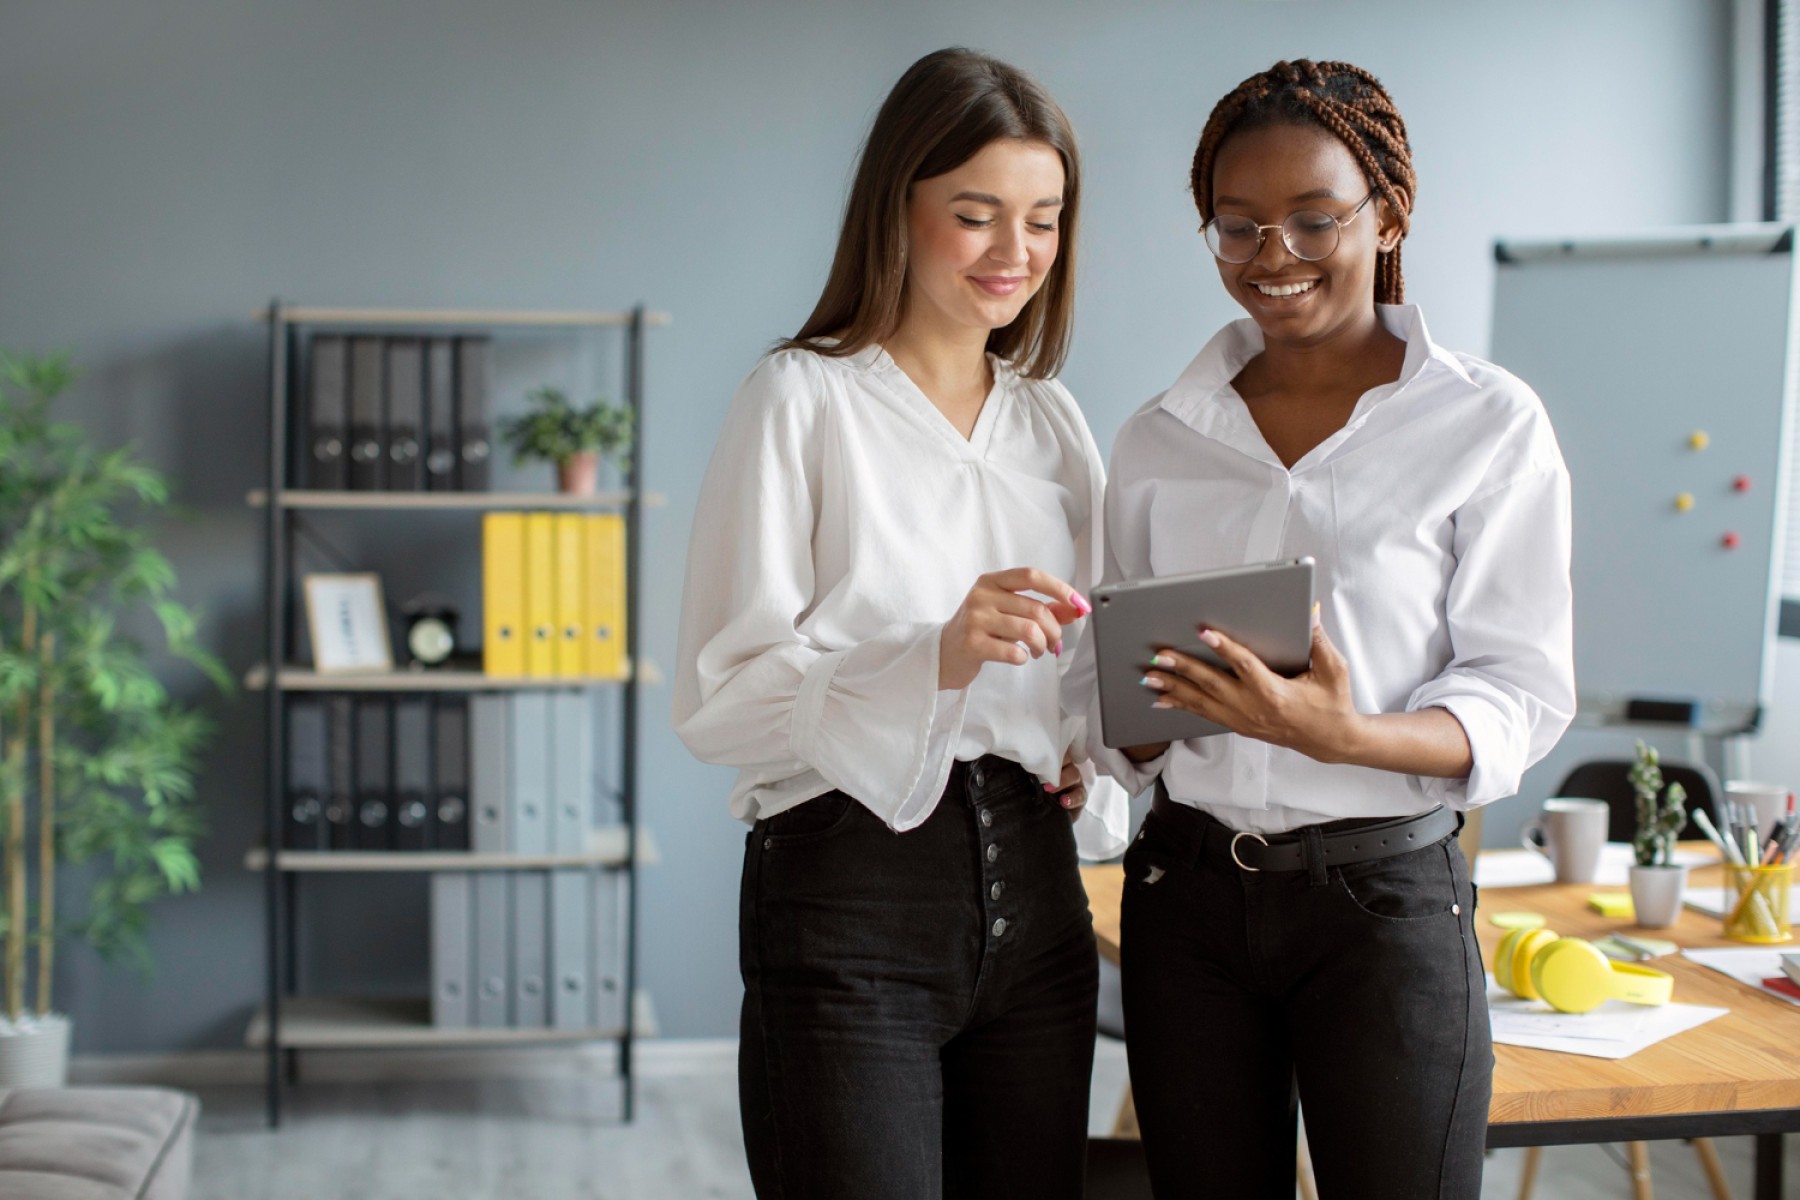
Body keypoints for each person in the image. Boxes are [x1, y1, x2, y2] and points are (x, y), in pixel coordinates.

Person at [1086, 59, 1575, 1198]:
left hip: (1385, 906)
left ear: (1388, 213)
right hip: (1187, 900)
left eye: (1315, 220)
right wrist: (1140, 722)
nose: (1274, 259)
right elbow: (1109, 694)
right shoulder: (1159, 435)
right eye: (1239, 228)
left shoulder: (1485, 422)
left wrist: (1341, 735)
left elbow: (1520, 688)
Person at [672, 47, 1128, 1200]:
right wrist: (932, 655)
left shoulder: (1053, 425)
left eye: (1043, 219)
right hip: (846, 903)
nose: (1014, 254)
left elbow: (1082, 673)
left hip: (1038, 901)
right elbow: (722, 701)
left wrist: (1088, 757)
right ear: (898, 208)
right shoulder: (801, 399)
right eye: (975, 216)